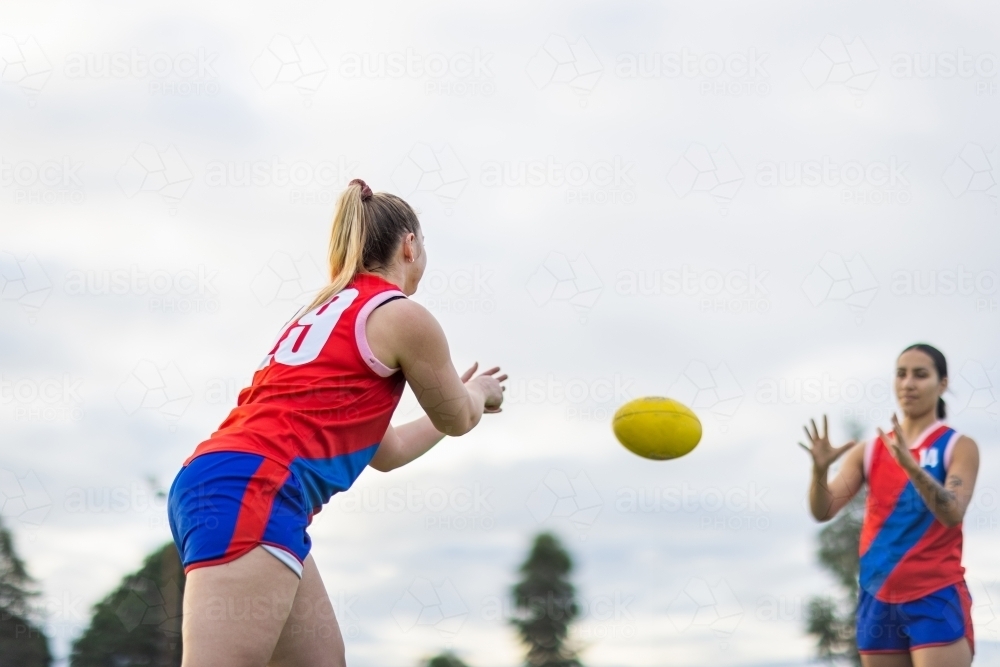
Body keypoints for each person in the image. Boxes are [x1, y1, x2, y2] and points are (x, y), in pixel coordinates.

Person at [167, 179, 506, 667]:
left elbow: (384, 450)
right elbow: (458, 417)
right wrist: (479, 392)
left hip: (239, 482)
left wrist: (457, 398)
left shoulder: (330, 308)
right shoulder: (402, 316)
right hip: (254, 486)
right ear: (409, 245)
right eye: (424, 242)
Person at [800, 343, 979, 667]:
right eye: (901, 374)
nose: (908, 383)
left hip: (935, 595)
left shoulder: (958, 445)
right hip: (877, 598)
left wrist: (913, 468)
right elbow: (822, 510)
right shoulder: (870, 450)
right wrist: (819, 470)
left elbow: (952, 512)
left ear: (942, 384)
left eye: (920, 375)